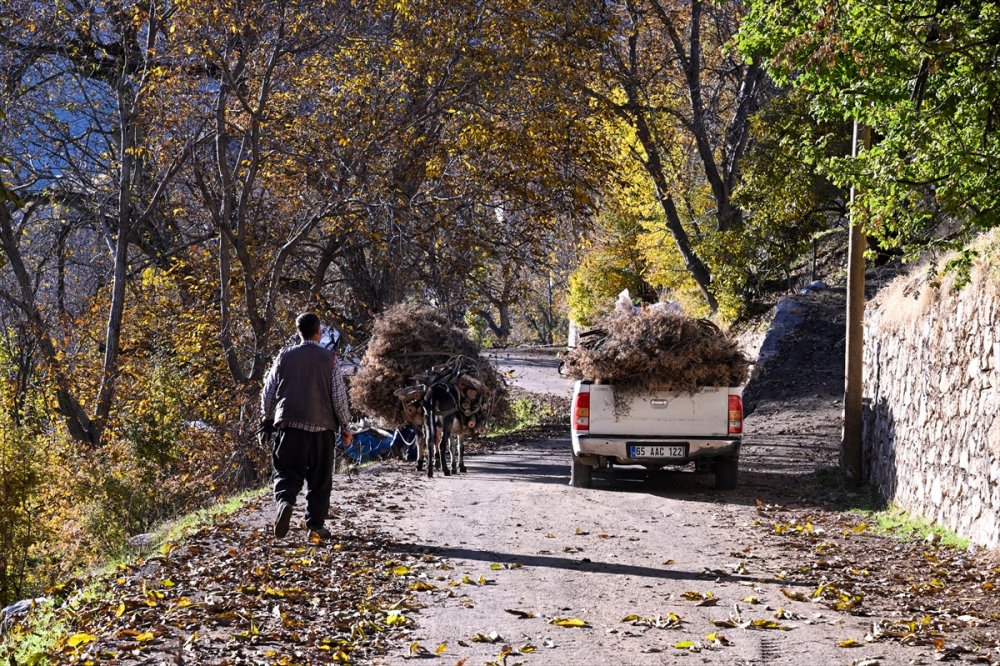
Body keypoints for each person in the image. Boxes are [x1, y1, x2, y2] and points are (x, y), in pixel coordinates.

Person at [261, 313, 353, 540]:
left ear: (298, 332)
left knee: (286, 472)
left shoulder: (284, 355)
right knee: (320, 480)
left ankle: (285, 502)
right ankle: (315, 526)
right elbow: (338, 397)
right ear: (318, 332)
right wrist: (345, 426)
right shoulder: (330, 359)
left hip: (290, 425)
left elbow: (268, 391)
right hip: (322, 429)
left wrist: (267, 417)